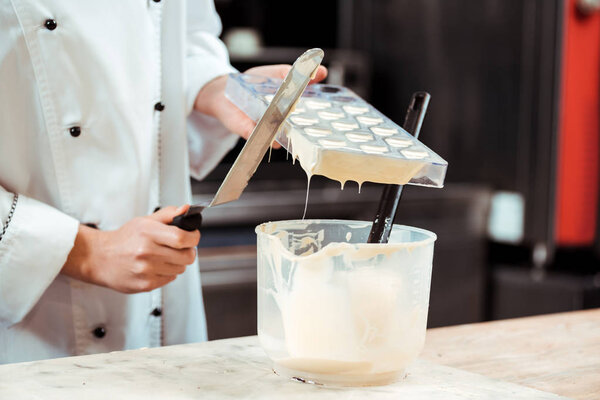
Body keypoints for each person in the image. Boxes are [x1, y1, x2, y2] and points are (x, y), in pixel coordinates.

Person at [0, 1, 326, 363]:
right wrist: (85, 251)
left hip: (162, 299)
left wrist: (218, 88)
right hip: (27, 323)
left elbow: (184, 38)